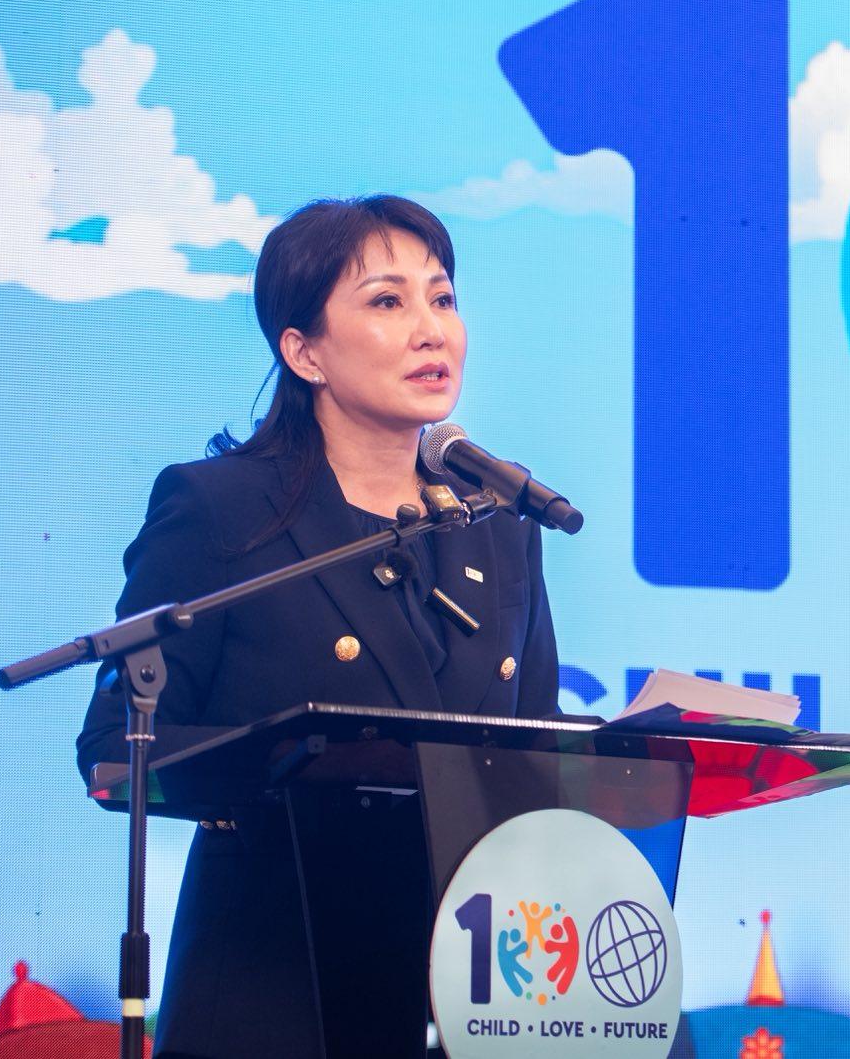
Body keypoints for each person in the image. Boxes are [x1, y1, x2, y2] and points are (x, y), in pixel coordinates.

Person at [75, 195, 563, 1059]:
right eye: (388, 301)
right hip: (273, 990)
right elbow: (116, 750)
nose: (432, 330)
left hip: (472, 995)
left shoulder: (497, 522)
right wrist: (306, 764)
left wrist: (645, 757)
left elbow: (533, 744)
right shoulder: (222, 509)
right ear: (303, 352)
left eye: (443, 299)